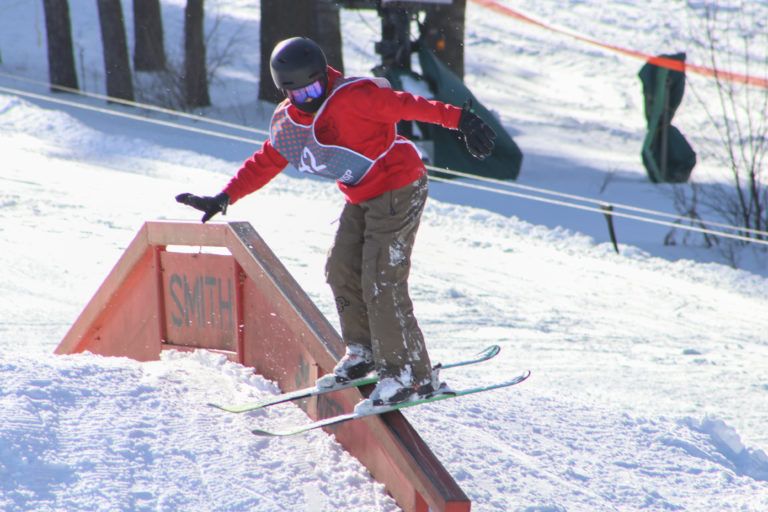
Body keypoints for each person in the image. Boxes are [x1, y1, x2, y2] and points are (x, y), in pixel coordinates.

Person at [176, 37, 496, 407]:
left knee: (381, 278)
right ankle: (364, 351)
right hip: (361, 195)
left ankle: (407, 373)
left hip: (399, 183)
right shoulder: (289, 122)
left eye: (315, 88)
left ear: (323, 77)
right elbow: (268, 160)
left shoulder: (353, 98)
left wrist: (461, 120)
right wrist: (224, 196)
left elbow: (408, 105)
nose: (309, 98)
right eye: (299, 93)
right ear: (285, 91)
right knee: (340, 269)